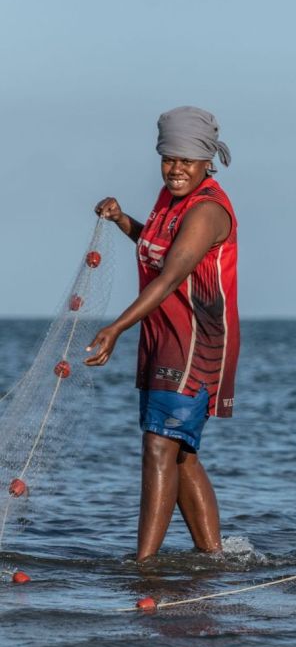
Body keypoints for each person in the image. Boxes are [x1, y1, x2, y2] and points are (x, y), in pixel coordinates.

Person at [85, 106, 239, 562]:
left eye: (186, 161)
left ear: (206, 160)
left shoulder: (208, 210)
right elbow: (156, 248)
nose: (176, 169)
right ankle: (213, 558)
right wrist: (122, 220)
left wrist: (115, 328)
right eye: (169, 158)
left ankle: (143, 566)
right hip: (161, 333)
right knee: (180, 452)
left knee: (158, 444)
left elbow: (170, 276)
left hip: (197, 340)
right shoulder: (168, 200)